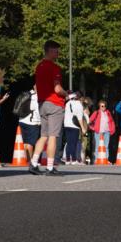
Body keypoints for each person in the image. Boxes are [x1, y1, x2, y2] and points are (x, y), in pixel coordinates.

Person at [30, 40, 69, 176]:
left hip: (42, 104)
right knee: (53, 136)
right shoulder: (54, 67)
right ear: (50, 51)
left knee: (44, 135)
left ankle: (34, 163)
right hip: (55, 104)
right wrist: (67, 94)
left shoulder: (39, 66)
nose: (58, 53)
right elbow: (57, 89)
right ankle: (50, 167)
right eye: (56, 50)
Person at [18, 86, 41, 160]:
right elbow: (37, 111)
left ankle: (25, 160)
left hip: (21, 120)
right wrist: (39, 121)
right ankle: (31, 160)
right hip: (32, 122)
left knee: (24, 142)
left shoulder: (26, 94)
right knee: (30, 143)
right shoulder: (36, 97)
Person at [61, 92, 84, 165]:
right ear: (80, 98)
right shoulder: (79, 105)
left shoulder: (68, 103)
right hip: (74, 126)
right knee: (73, 143)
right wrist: (83, 127)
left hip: (66, 124)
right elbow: (80, 118)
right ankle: (74, 160)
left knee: (69, 142)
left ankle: (67, 160)